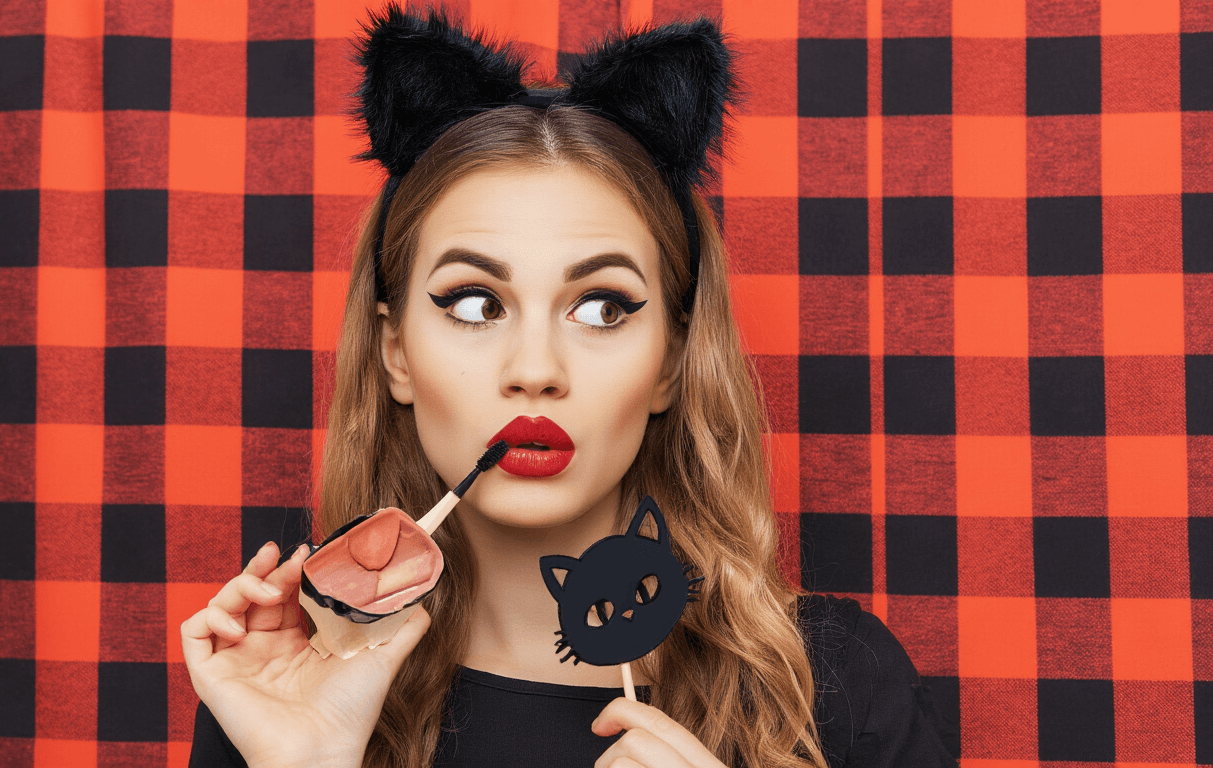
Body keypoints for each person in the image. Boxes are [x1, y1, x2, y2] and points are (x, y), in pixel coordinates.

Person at [181, 8, 957, 768]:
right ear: (396, 354)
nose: (536, 368)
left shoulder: (837, 690)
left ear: (670, 362)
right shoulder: (286, 681)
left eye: (601, 308)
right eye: (476, 305)